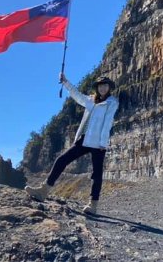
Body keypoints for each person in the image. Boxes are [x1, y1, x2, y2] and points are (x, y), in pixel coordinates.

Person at [25, 74, 119, 214]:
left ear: (109, 87)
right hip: (85, 139)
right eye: (100, 85)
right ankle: (44, 190)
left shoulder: (112, 102)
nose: (103, 88)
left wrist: (102, 143)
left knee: (97, 174)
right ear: (97, 87)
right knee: (62, 160)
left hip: (99, 143)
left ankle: (93, 205)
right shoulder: (91, 100)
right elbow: (77, 95)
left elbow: (107, 123)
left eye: (105, 85)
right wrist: (65, 82)